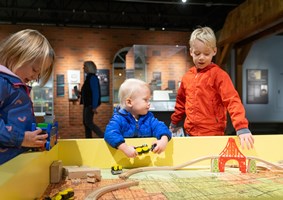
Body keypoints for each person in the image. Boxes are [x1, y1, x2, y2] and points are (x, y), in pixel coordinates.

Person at [170, 26, 254, 150]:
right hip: (190, 134)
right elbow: (181, 102)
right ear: (191, 52)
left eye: (206, 53)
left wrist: (241, 127)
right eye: (197, 53)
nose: (201, 57)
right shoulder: (187, 77)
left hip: (213, 134)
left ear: (214, 51)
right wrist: (174, 121)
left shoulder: (219, 75)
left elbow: (232, 100)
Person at [0, 29, 55, 164]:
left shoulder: (16, 85)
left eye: (39, 74)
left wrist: (32, 138)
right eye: (35, 70)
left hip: (14, 164)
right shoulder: (3, 82)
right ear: (15, 56)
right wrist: (22, 138)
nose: (35, 77)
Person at [104, 78, 172, 158]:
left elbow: (161, 127)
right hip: (124, 162)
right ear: (129, 102)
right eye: (145, 100)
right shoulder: (118, 119)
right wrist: (124, 148)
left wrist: (164, 140)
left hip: (147, 163)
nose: (149, 104)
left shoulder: (149, 118)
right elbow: (110, 133)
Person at [80, 61, 104, 138]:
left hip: (90, 105)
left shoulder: (92, 78)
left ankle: (102, 135)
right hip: (87, 104)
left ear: (89, 67)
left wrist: (94, 106)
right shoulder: (88, 78)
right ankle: (88, 138)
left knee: (88, 122)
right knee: (86, 123)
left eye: (85, 66)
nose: (83, 68)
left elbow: (95, 93)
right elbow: (87, 92)